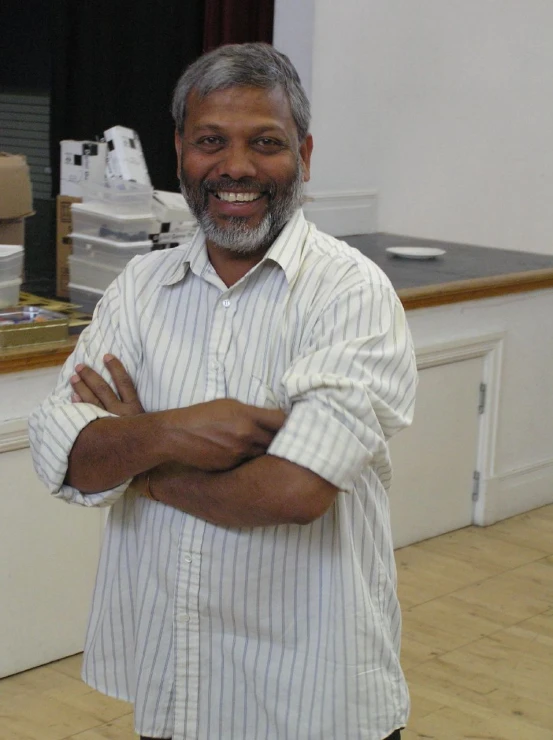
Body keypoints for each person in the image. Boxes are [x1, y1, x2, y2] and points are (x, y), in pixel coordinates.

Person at [29, 43, 417, 740]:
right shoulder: (139, 291)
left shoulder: (349, 293)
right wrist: (180, 434)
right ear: (180, 150)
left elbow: (294, 494)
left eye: (264, 143)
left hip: (313, 697)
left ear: (302, 152)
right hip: (177, 683)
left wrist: (140, 460)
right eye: (211, 141)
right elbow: (64, 453)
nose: (235, 167)